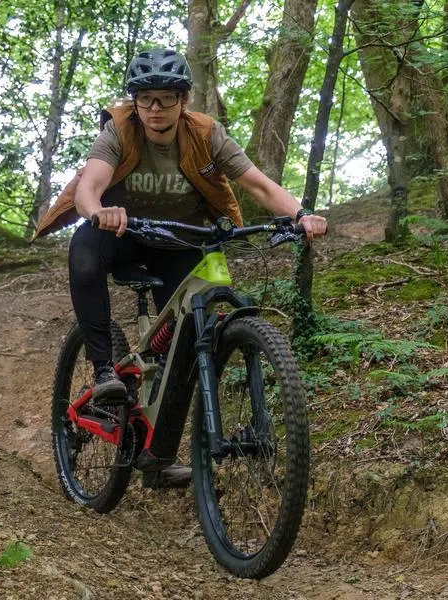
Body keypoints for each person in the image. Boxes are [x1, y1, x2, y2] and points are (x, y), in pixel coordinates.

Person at [33, 48, 328, 487]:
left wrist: (302, 214)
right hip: (121, 236)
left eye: (166, 98)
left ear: (183, 100)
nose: (155, 109)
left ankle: (157, 454)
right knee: (84, 249)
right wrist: (100, 212)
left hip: (179, 239)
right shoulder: (119, 131)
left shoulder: (206, 134)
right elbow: (88, 188)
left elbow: (259, 185)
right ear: (134, 101)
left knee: (195, 329)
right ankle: (103, 369)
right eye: (145, 98)